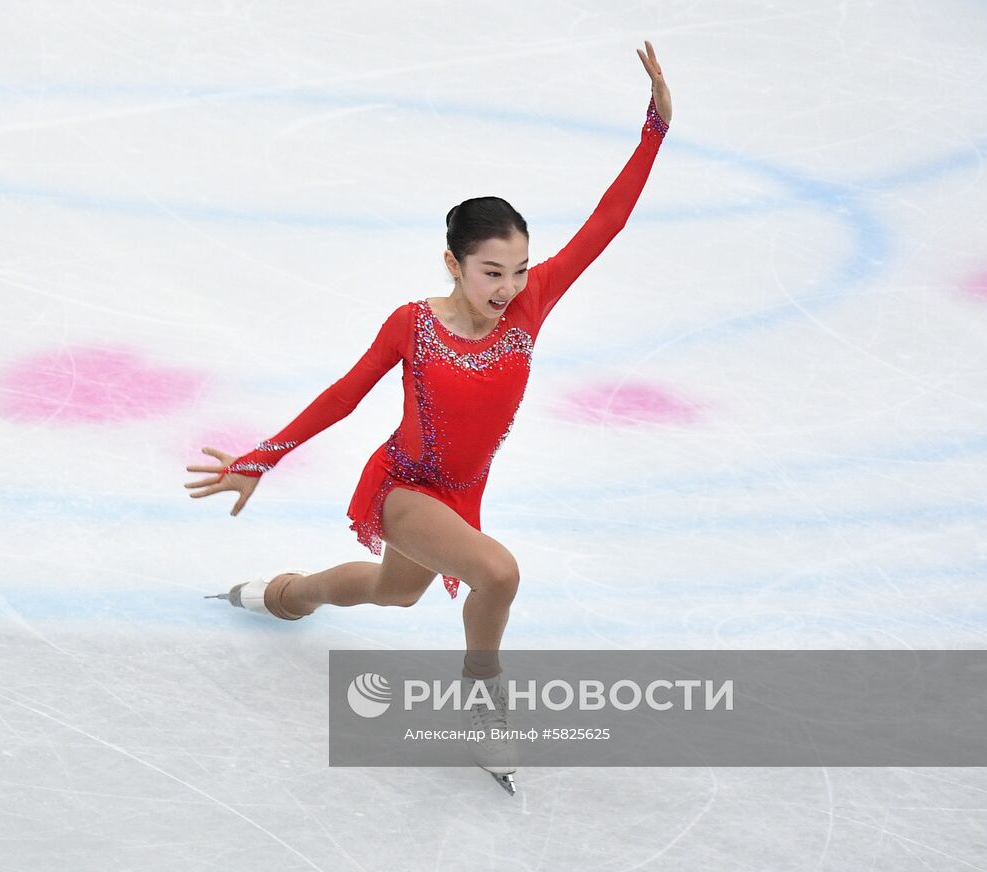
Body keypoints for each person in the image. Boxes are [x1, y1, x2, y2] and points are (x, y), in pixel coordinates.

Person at [187, 42, 673, 792]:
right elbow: (345, 394)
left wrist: (653, 130)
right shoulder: (412, 326)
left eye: (517, 270)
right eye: (490, 272)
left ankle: (286, 594)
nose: (508, 288)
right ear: (453, 264)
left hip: (460, 493)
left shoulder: (531, 304)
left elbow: (603, 225)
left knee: (395, 592)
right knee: (498, 574)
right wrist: (261, 457)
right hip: (406, 486)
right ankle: (484, 696)